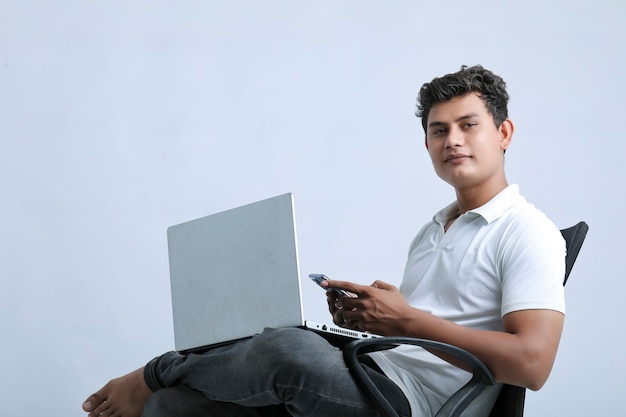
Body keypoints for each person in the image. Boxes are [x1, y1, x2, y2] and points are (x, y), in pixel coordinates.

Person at [82, 65, 565, 417]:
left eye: (468, 125)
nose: (452, 140)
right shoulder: (434, 228)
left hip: (412, 403)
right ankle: (161, 388)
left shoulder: (528, 231)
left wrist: (408, 320)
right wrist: (374, 317)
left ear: (503, 133)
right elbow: (414, 329)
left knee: (284, 351)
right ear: (427, 145)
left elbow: (532, 365)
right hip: (375, 370)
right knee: (175, 407)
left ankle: (154, 373)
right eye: (439, 130)